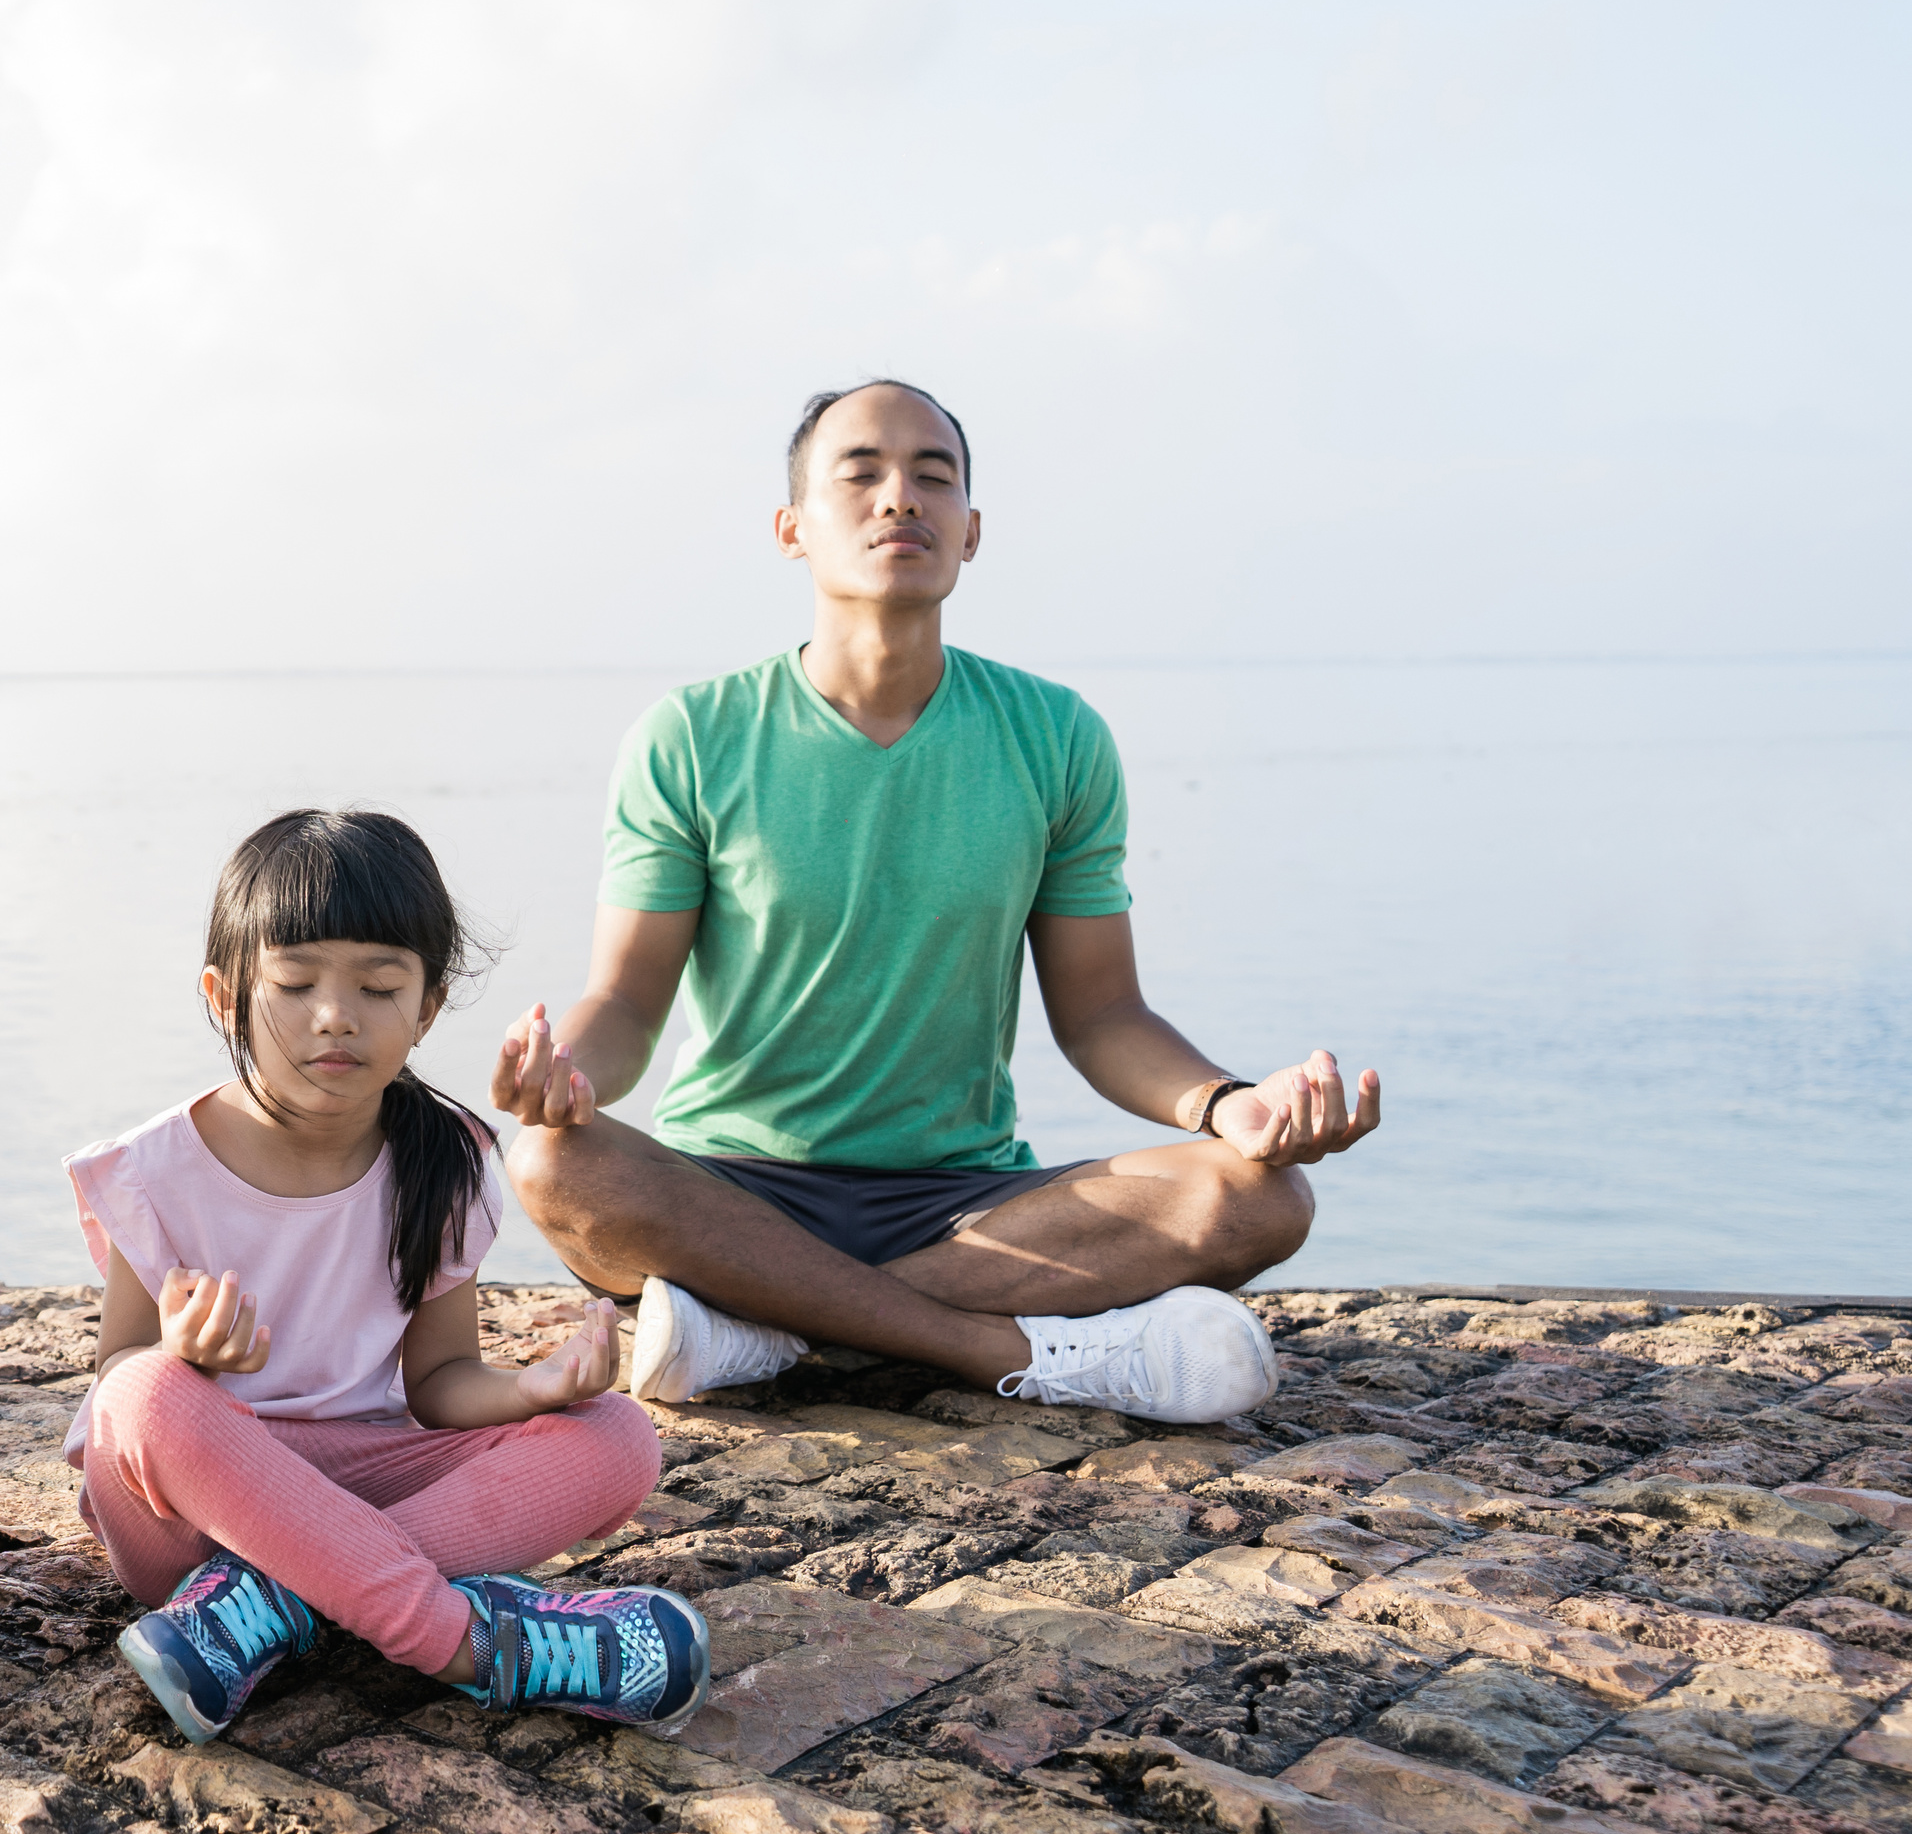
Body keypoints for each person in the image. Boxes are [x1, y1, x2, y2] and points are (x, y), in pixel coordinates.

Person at [496, 380, 1382, 1424]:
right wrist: (567, 1078)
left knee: (1256, 1196)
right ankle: (1001, 1350)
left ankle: (763, 1335)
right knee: (553, 1161)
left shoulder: (1054, 735)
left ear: (970, 531)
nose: (899, 499)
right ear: (792, 529)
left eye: (933, 476)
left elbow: (1103, 1016)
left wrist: (1235, 1107)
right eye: (860, 472)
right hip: (736, 1191)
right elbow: (630, 1002)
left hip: (964, 1199)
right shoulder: (689, 735)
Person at [77, 808, 715, 1749]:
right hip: (190, 1516)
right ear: (224, 994)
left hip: (358, 1479)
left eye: (379, 987)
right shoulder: (154, 1169)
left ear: (427, 1005)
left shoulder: (442, 1159)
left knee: (617, 1434)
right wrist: (182, 1358)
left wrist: (532, 1389)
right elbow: (119, 1390)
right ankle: (478, 1648)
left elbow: (441, 1382)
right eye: (294, 983)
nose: (336, 1015)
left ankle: (273, 1608)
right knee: (142, 1393)